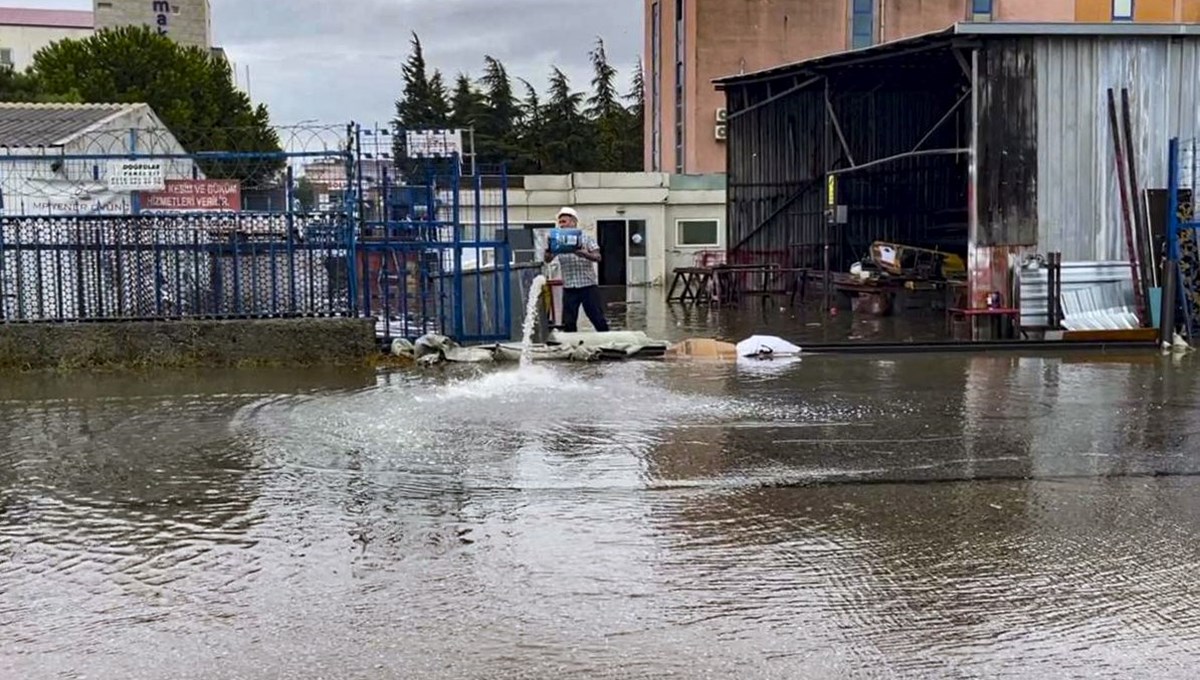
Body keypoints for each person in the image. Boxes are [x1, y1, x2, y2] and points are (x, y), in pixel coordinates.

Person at [544, 206, 610, 333]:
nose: (562, 225)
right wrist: (548, 249)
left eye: (565, 221)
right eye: (560, 222)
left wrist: (584, 254)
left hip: (588, 286)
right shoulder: (558, 241)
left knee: (597, 318)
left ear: (573, 222)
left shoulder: (586, 238)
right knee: (568, 322)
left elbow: (598, 257)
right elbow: (548, 259)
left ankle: (607, 340)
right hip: (569, 287)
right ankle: (570, 345)